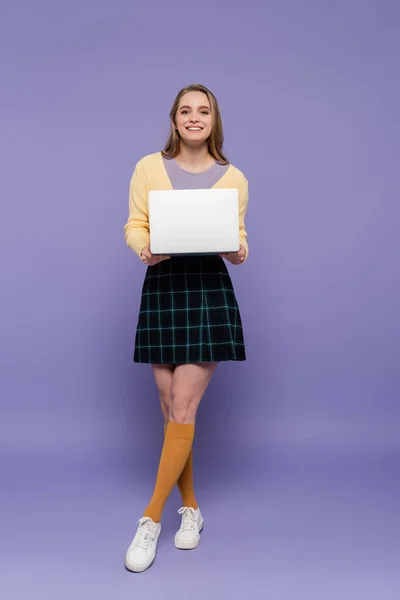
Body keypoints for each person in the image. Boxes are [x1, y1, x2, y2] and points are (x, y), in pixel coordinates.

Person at [123, 83, 249, 572]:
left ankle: (150, 520)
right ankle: (191, 509)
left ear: (213, 121)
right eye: (185, 111)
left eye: (203, 111)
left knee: (183, 404)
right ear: (174, 119)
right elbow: (134, 224)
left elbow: (238, 239)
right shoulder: (147, 167)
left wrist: (240, 250)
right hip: (163, 284)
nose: (194, 118)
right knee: (170, 408)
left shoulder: (233, 177)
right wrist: (145, 247)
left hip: (207, 290)